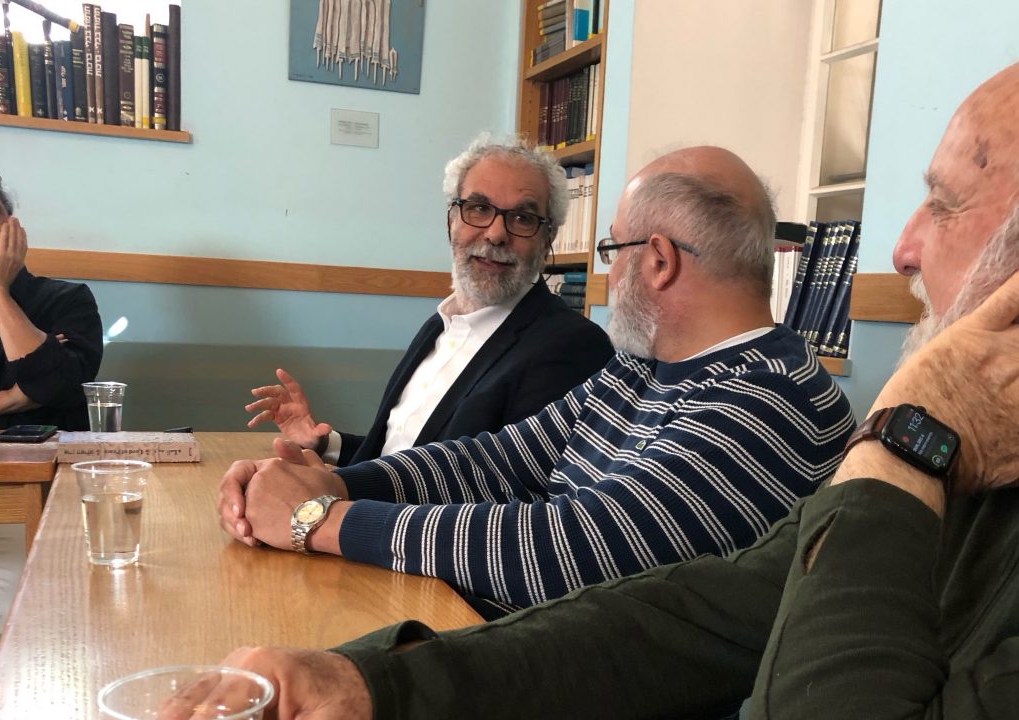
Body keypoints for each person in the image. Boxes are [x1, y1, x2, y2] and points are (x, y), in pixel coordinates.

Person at [212, 64, 1019, 720]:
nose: (904, 246)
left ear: (659, 261)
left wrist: (909, 432)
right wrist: (374, 677)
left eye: (943, 204)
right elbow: (679, 598)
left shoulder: (792, 403)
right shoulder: (644, 369)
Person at [220, 146, 855, 628]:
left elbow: (572, 548)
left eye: (614, 251)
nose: (611, 275)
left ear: (659, 261)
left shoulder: (771, 399)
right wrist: (330, 484)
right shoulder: (642, 366)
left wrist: (318, 520)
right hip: (512, 648)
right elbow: (498, 459)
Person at [244, 136, 612, 465]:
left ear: (547, 239)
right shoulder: (440, 326)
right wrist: (324, 444)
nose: (496, 233)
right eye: (479, 208)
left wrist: (329, 492)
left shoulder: (572, 347)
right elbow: (400, 457)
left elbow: (487, 490)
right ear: (452, 219)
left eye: (522, 217)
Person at [0, 169, 103, 430]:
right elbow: (43, 386)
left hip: (53, 455)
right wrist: (12, 397)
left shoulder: (69, 299)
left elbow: (54, 387)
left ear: (11, 221)